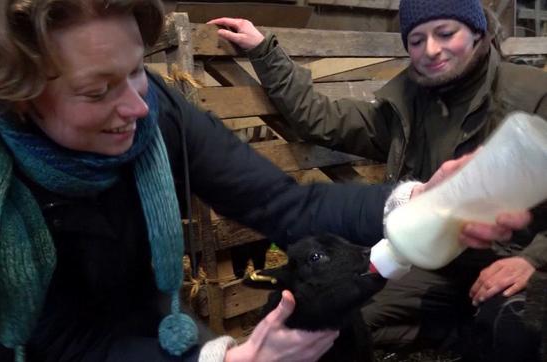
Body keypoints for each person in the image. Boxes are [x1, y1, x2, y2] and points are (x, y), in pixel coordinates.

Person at [0, 0, 529, 361]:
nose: (138, 107)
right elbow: (61, 335)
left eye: (137, 71)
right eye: (98, 90)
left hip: (144, 304)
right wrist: (226, 357)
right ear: (19, 100)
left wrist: (418, 199)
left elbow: (283, 202)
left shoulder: (158, 117)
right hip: (10, 322)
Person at [209, 0, 547, 360]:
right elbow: (321, 119)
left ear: (478, 32)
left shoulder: (532, 94)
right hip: (434, 264)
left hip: (519, 261)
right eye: (416, 41)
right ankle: (459, 334)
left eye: (446, 33)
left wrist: (533, 260)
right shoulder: (408, 105)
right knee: (343, 323)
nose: (431, 50)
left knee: (514, 327)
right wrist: (264, 51)